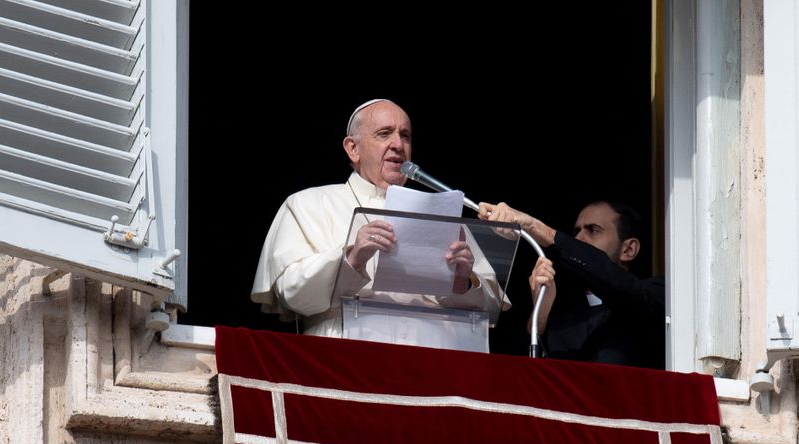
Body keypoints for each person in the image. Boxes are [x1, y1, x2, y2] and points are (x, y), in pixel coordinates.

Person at [251, 99, 506, 347]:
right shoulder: (308, 203)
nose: (398, 144)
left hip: (435, 364)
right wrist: (351, 259)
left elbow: (491, 310)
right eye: (384, 134)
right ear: (353, 148)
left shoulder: (442, 213)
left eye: (405, 136)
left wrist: (463, 280)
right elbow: (291, 293)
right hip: (345, 361)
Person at [478, 200, 665, 368]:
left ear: (628, 249)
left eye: (593, 230)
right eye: (577, 232)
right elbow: (521, 376)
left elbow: (625, 288)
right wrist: (540, 314)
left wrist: (535, 226)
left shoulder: (655, 295)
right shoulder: (562, 314)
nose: (579, 239)